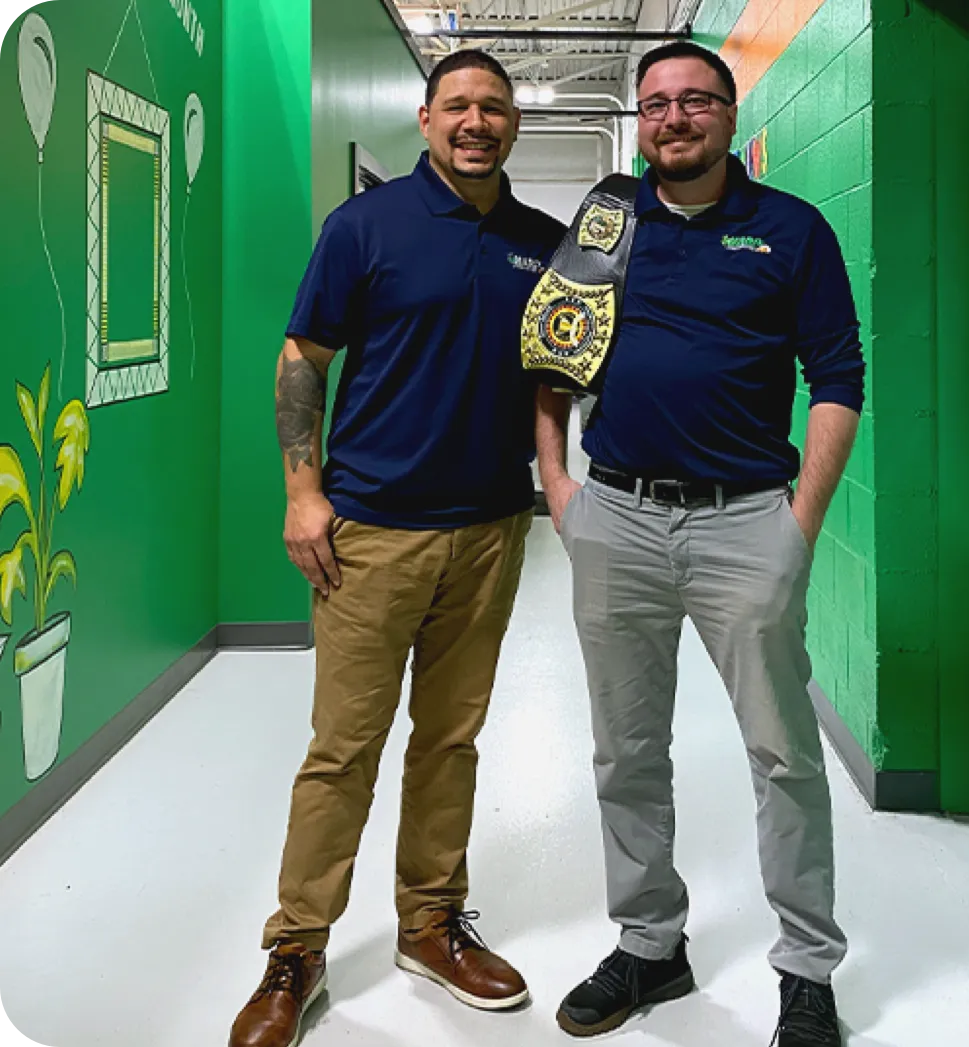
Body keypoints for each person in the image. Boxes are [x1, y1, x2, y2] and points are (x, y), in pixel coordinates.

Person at [229, 50, 565, 1047]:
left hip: (493, 531)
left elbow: (559, 377)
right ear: (424, 120)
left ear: (513, 125)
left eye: (493, 108)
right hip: (371, 531)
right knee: (344, 749)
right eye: (457, 106)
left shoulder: (543, 244)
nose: (476, 121)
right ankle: (297, 949)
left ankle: (429, 922)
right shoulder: (363, 228)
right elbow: (304, 359)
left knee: (450, 741)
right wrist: (303, 492)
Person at [536, 42, 865, 1047]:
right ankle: (650, 945)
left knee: (782, 754)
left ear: (728, 115)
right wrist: (559, 490)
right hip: (618, 518)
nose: (674, 118)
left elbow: (838, 379)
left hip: (744, 522)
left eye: (694, 101)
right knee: (626, 751)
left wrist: (796, 526)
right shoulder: (607, 217)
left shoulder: (790, 231)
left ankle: (808, 969)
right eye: (656, 104)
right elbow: (551, 357)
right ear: (641, 121)